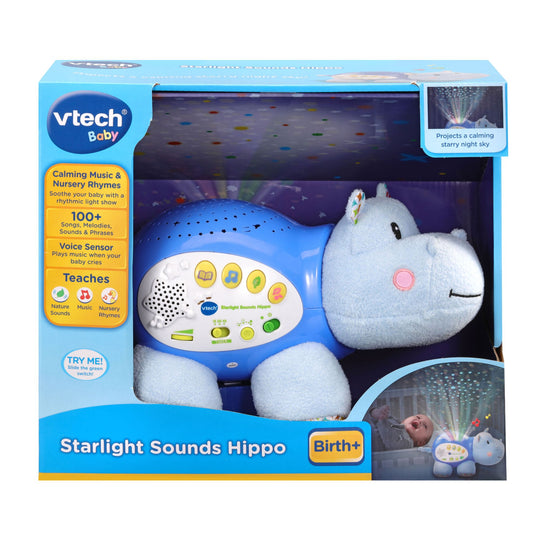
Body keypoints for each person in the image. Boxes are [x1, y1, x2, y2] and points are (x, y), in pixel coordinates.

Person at [364, 405, 433, 452]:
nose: (420, 421)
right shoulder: (394, 420)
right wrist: (375, 413)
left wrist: (381, 420)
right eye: (418, 417)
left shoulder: (407, 444)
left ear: (420, 442)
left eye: (425, 426)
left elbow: (390, 445)